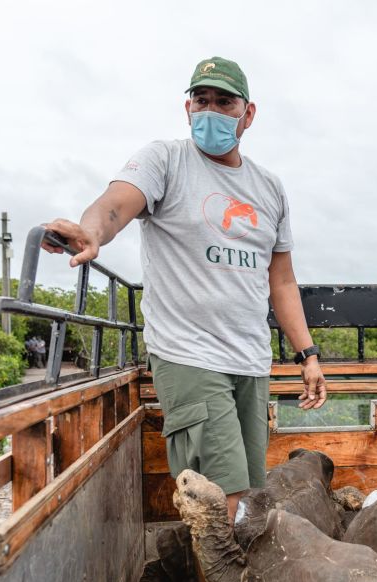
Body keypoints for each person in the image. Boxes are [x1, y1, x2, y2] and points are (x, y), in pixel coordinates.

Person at [42, 56, 326, 521]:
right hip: (189, 354)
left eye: (224, 101)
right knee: (219, 494)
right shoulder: (166, 160)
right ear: (187, 106)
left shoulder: (269, 188)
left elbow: (282, 280)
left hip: (250, 359)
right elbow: (115, 205)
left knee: (246, 489)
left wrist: (308, 355)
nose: (210, 110)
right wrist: (91, 232)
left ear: (247, 113)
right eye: (202, 99)